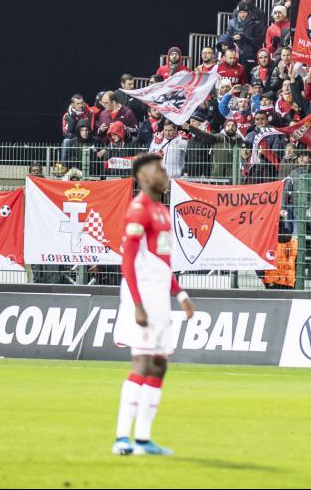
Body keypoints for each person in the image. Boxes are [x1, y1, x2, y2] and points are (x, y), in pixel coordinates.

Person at [111, 154, 196, 456]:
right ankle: (122, 437)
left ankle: (144, 440)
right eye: (159, 170)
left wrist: (181, 294)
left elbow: (163, 261)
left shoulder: (161, 211)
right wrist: (136, 303)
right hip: (143, 297)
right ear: (145, 177)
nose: (165, 173)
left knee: (159, 365)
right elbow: (128, 261)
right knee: (143, 363)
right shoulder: (138, 210)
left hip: (160, 298)